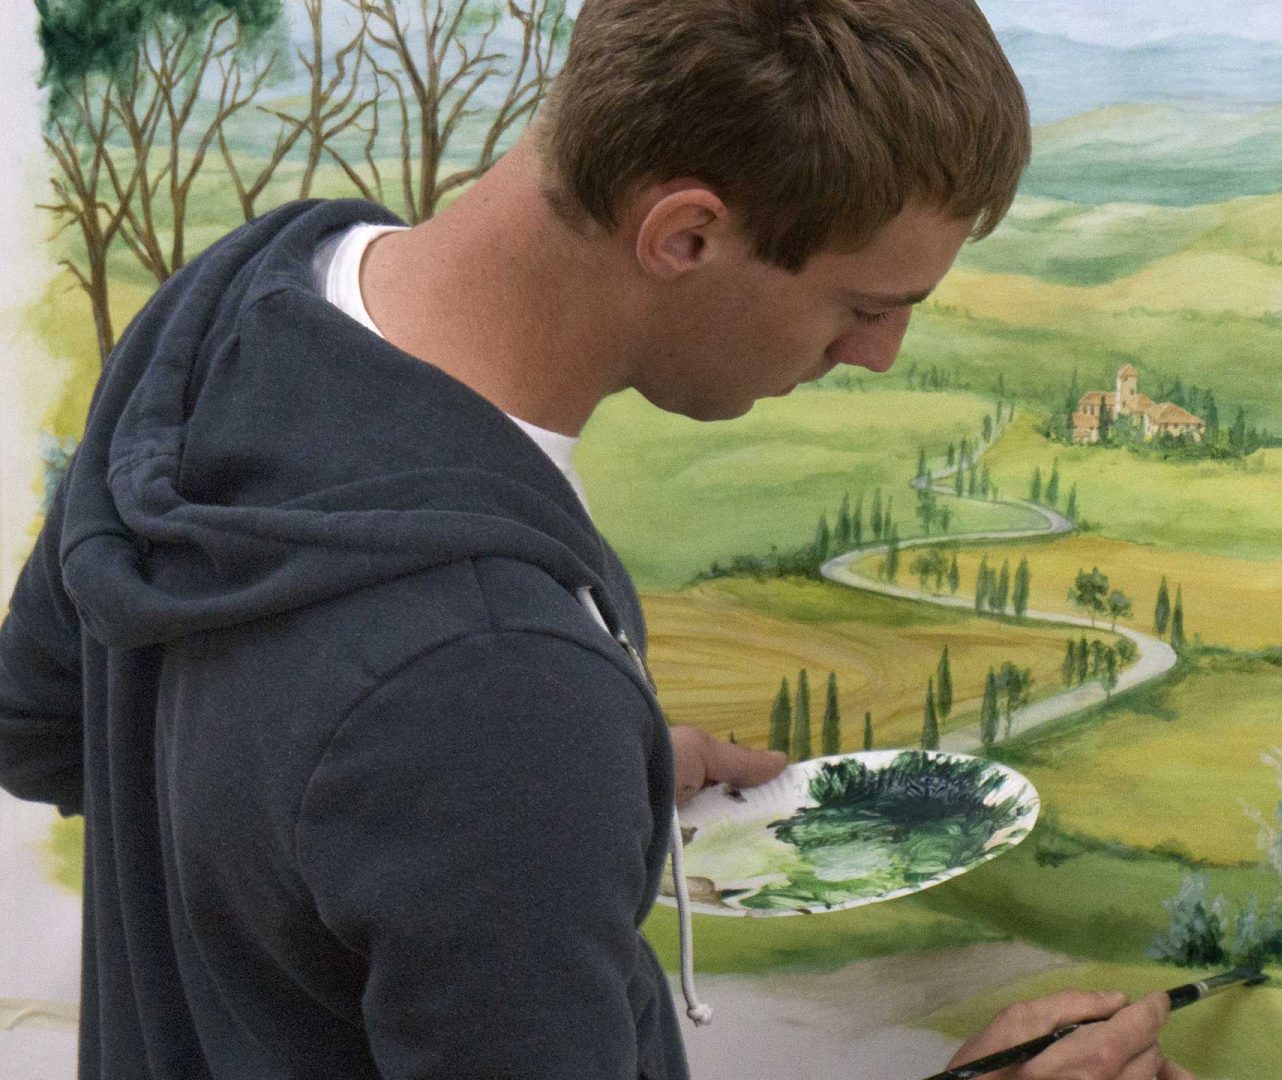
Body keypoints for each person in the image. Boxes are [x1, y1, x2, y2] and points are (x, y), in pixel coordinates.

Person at [0, 1, 1194, 1078]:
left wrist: (495, 817)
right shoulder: (491, 689)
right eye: (864, 305)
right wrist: (501, 775)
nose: (877, 355)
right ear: (685, 235)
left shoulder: (239, 300)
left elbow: (45, 727)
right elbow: (428, 716)